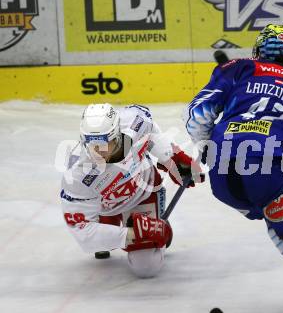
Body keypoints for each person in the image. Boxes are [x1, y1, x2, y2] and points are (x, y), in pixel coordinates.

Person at [183, 24, 283, 312]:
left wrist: (206, 144)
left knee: (271, 213)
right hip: (270, 169)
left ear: (259, 49)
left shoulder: (239, 67)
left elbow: (199, 115)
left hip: (223, 178)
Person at [61, 103, 203, 278]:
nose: (99, 152)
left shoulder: (134, 121)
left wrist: (172, 160)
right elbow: (83, 231)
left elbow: (151, 132)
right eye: (93, 145)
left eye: (106, 143)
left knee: (147, 267)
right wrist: (132, 233)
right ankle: (112, 220)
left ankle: (149, 225)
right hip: (106, 207)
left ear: (117, 135)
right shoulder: (76, 174)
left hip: (143, 193)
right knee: (102, 244)